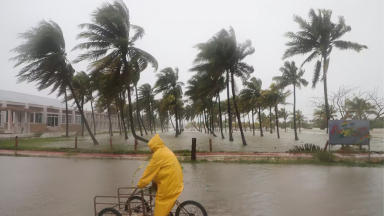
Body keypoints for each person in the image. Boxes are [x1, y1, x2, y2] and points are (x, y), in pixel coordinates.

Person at [137, 134, 184, 216]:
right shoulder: (165, 150)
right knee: (157, 187)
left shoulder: (158, 155)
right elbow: (161, 169)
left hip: (169, 184)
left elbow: (149, 171)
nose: (150, 150)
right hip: (177, 181)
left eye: (151, 148)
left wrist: (141, 184)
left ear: (154, 146)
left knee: (161, 202)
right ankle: (167, 212)